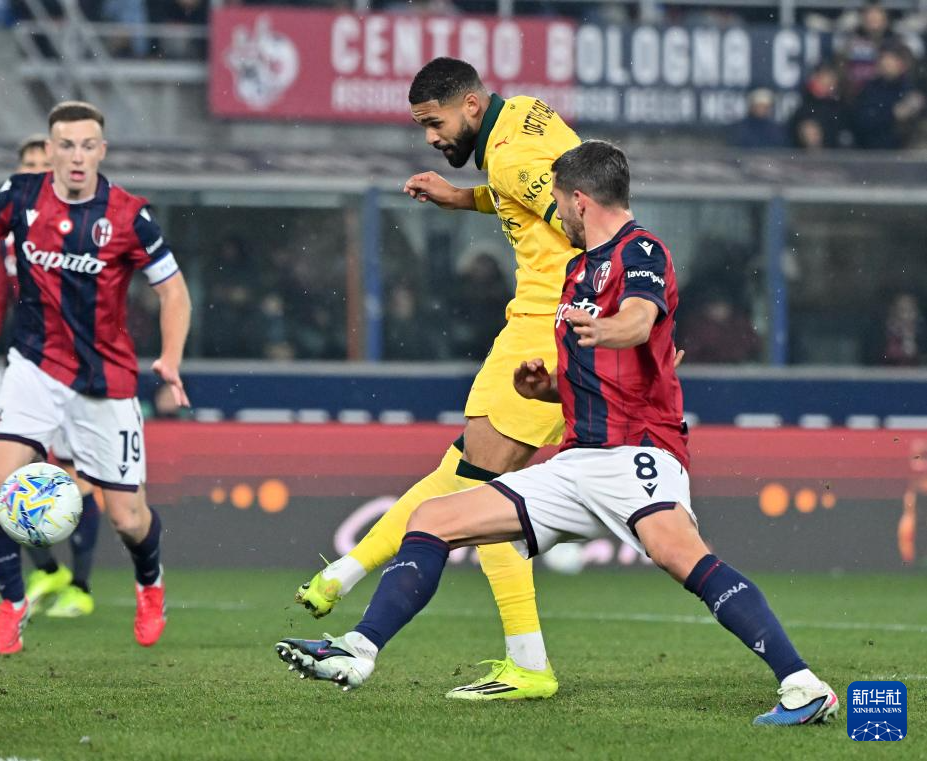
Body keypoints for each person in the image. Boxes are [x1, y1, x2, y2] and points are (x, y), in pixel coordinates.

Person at [276, 140, 839, 727]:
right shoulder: (576, 272)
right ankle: (358, 651)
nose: (556, 214)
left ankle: (803, 685)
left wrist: (607, 330)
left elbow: (639, 319)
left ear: (579, 200)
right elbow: (591, 378)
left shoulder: (641, 249)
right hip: (576, 461)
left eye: (558, 202)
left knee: (685, 559)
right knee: (433, 519)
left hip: (636, 454)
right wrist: (543, 386)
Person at [295, 57, 583, 700]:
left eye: (435, 123)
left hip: (546, 328)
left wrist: (637, 306)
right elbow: (541, 194)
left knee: (481, 499)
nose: (430, 137)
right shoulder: (526, 117)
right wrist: (462, 197)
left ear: (471, 105)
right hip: (547, 323)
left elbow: (585, 219)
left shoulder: (508, 155)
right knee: (465, 480)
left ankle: (524, 664)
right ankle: (344, 576)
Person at [0, 100, 192, 654]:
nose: (76, 156)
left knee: (128, 519)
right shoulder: (18, 197)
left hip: (105, 382)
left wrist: (170, 357)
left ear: (102, 150)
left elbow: (173, 291)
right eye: (66, 145)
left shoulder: (129, 216)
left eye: (87, 145)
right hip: (35, 366)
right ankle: (12, 602)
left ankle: (150, 583)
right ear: (49, 150)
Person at [0, 134, 103, 618]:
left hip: (78, 370)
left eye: (44, 163)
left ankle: (81, 587)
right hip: (28, 367)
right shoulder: (10, 230)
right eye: (28, 164)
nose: (36, 171)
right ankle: (48, 570)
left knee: (79, 478)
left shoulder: (85, 225)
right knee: (10, 480)